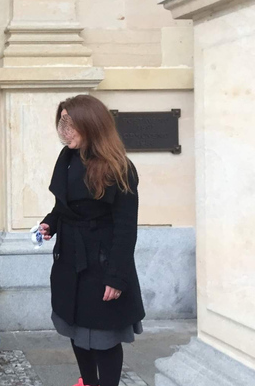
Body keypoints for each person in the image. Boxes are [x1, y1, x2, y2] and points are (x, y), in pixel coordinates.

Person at [38, 95, 145, 386]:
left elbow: (126, 229)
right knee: (75, 330)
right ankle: (88, 382)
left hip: (102, 263)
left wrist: (116, 277)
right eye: (62, 123)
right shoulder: (68, 158)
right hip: (69, 259)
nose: (65, 131)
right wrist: (50, 223)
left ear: (92, 125)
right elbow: (64, 205)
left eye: (70, 124)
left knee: (103, 338)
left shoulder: (119, 167)